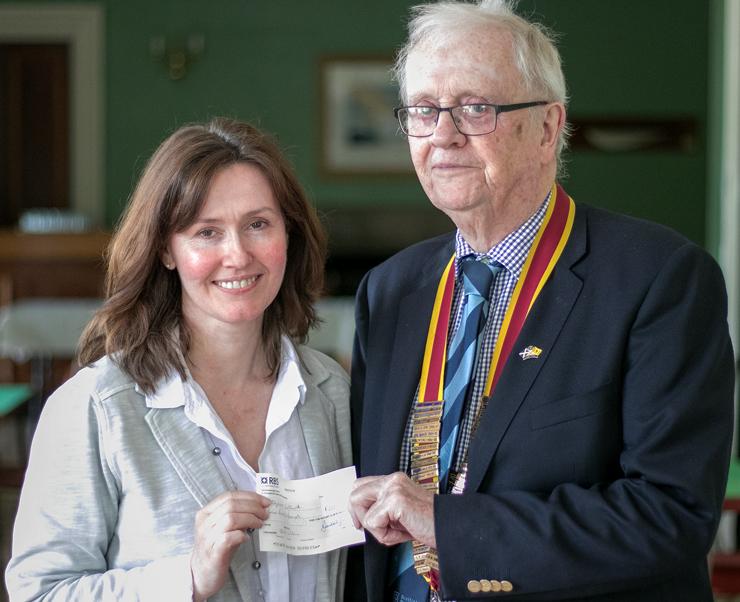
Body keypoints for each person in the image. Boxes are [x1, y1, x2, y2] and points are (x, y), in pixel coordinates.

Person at [347, 1, 735, 601]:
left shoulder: (660, 278)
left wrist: (445, 524)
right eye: (423, 111)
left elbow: (670, 516)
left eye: (475, 108)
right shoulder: (390, 290)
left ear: (550, 126)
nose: (443, 135)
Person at [5, 118, 351, 601]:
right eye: (207, 232)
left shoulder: (331, 391)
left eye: (258, 224)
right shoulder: (94, 408)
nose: (238, 254)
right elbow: (39, 593)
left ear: (287, 237)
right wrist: (186, 577)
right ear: (167, 250)